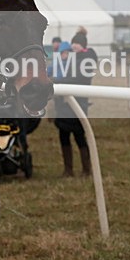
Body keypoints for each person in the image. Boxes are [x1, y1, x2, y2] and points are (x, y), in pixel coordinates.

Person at [52, 32, 97, 176]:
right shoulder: (73, 59)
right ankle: (68, 169)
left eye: (76, 44)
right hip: (64, 105)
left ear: (82, 45)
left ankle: (86, 169)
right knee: (63, 136)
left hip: (78, 104)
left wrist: (58, 83)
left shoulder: (86, 61)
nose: (74, 47)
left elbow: (78, 79)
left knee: (79, 136)